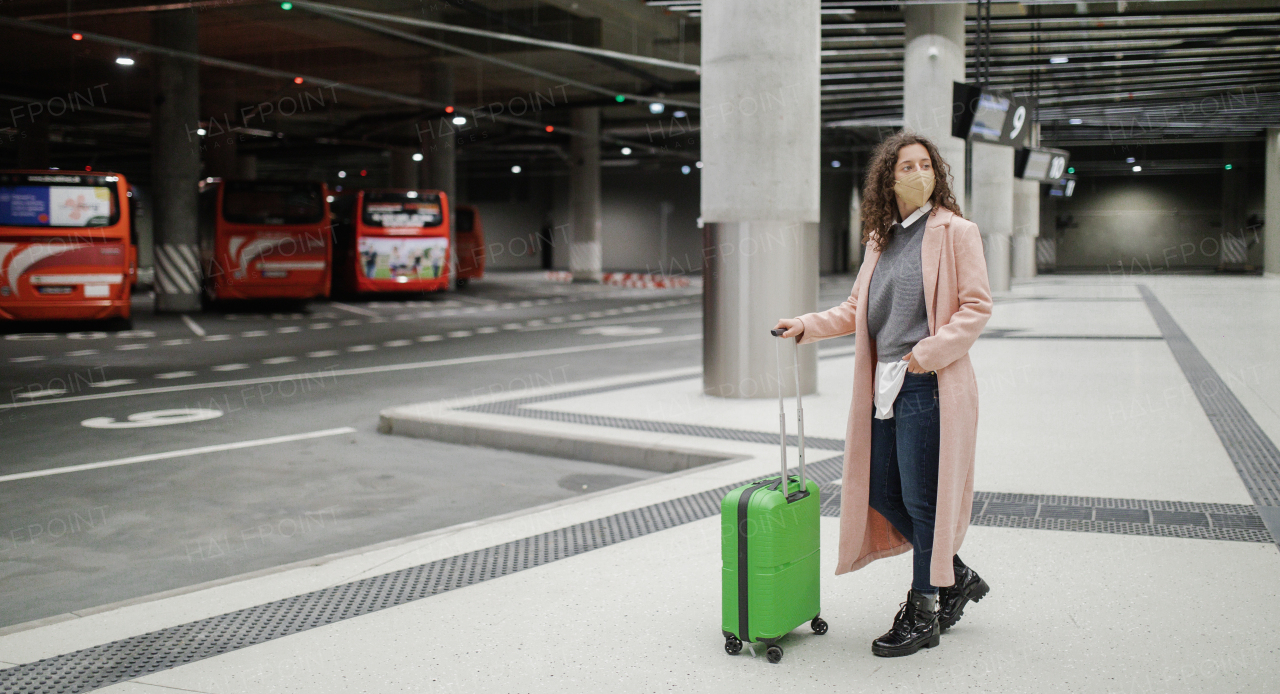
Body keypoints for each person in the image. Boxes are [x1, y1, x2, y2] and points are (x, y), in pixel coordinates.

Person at [773, 131, 993, 657]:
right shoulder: (881, 239)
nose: (919, 174)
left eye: (925, 165)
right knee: (877, 489)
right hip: (884, 387)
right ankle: (954, 575)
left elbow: (977, 307)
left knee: (921, 499)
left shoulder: (957, 232)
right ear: (888, 180)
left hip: (927, 383)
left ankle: (923, 613)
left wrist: (929, 353)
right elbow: (855, 309)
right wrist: (805, 325)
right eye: (906, 167)